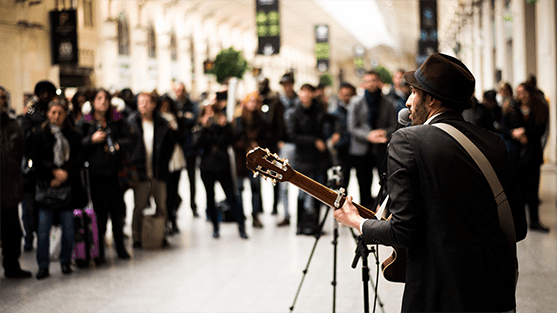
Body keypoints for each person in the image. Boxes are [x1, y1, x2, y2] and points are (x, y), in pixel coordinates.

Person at [334, 53, 528, 312]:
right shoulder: (492, 142)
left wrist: (357, 221)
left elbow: (404, 232)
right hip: (492, 287)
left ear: (432, 99)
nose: (408, 101)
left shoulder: (408, 141)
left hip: (439, 290)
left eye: (414, 93)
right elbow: (518, 226)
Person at [77, 89, 136, 262]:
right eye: (99, 98)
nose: (102, 102)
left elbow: (132, 139)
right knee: (100, 213)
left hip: (116, 173)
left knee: (118, 211)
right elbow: (77, 145)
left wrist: (118, 145)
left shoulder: (117, 118)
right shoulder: (86, 120)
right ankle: (100, 249)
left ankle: (120, 247)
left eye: (106, 99)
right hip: (96, 174)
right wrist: (91, 140)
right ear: (93, 102)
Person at [31, 99, 84, 279]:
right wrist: (53, 172)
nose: (56, 116)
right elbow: (36, 160)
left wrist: (65, 173)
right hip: (46, 188)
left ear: (65, 114)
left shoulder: (74, 135)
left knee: (68, 230)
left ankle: (65, 261)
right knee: (43, 230)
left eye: (60, 112)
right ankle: (43, 265)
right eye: (53, 112)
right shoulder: (39, 135)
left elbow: (78, 159)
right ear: (47, 113)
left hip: (68, 188)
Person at [127, 92, 176, 248]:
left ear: (154, 104)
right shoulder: (131, 122)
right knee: (139, 206)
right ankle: (136, 236)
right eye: (140, 102)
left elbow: (170, 145)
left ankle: (161, 234)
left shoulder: (162, 123)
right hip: (140, 171)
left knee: (161, 205)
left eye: (147, 102)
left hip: (158, 170)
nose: (143, 105)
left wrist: (164, 162)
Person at [193, 103, 248, 239]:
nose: (211, 116)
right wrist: (205, 128)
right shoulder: (200, 127)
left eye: (213, 113)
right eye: (207, 113)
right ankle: (215, 227)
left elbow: (231, 142)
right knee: (210, 198)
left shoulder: (224, 126)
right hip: (207, 167)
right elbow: (196, 145)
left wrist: (226, 127)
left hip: (223, 166)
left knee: (231, 197)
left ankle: (241, 226)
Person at [500, 82, 549, 232]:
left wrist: (525, 133)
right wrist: (514, 134)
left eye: (524, 92)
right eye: (519, 92)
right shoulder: (511, 108)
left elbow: (541, 129)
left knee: (532, 191)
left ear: (530, 92)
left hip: (532, 155)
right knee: (518, 191)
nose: (521, 95)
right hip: (516, 155)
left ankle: (534, 221)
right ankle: (518, 222)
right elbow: (502, 127)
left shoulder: (539, 107)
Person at [347, 70, 397, 210]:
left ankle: (382, 213)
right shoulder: (356, 102)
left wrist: (382, 133)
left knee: (385, 183)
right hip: (361, 150)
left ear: (379, 82)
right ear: (364, 83)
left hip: (382, 148)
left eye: (373, 80)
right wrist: (369, 135)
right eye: (367, 81)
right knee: (363, 184)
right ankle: (364, 214)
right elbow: (352, 127)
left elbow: (393, 125)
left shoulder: (388, 103)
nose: (370, 84)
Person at [286, 84, 330, 235]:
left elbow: (329, 122)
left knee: (318, 192)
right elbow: (292, 136)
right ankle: (300, 225)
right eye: (302, 92)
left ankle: (315, 225)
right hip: (303, 158)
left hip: (318, 158)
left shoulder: (319, 110)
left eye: (308, 92)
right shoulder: (294, 112)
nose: (305, 95)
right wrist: (313, 141)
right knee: (302, 193)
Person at [19, 80, 58, 252]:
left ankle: (49, 237)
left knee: (46, 206)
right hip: (30, 170)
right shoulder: (31, 112)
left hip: (48, 168)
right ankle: (28, 237)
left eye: (48, 92)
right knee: (28, 208)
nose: (45, 96)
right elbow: (26, 137)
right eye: (42, 92)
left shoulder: (56, 111)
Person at [0, 85, 32, 278]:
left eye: (4, 97)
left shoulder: (13, 125)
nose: (2, 101)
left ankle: (12, 266)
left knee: (13, 233)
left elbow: (21, 153)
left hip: (10, 189)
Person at [233, 92, 268, 228]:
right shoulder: (238, 120)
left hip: (256, 161)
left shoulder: (261, 120)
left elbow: (266, 138)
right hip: (241, 159)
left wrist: (257, 146)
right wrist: (247, 146)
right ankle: (240, 216)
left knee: (255, 189)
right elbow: (235, 140)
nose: (252, 104)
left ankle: (255, 215)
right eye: (250, 101)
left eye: (255, 101)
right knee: (240, 188)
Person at [156, 94, 187, 234]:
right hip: (163, 160)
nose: (165, 107)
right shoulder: (157, 120)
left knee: (174, 191)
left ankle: (173, 219)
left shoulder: (176, 118)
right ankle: (166, 220)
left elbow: (182, 138)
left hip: (176, 157)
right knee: (165, 192)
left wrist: (173, 129)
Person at [257, 78, 284, 220]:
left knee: (274, 174)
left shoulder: (275, 101)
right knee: (258, 174)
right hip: (261, 142)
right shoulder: (258, 101)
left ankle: (274, 205)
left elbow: (279, 123)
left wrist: (278, 140)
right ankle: (260, 205)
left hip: (272, 143)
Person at [275, 72, 299, 227]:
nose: (287, 88)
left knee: (301, 181)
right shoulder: (278, 102)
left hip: (299, 144)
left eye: (289, 84)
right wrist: (278, 141)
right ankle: (286, 213)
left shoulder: (299, 101)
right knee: (283, 181)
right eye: (285, 85)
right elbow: (274, 122)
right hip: (284, 144)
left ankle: (304, 214)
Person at [174, 82, 201, 217]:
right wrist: (185, 117)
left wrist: (182, 117)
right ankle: (176, 202)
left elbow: (194, 119)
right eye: (177, 91)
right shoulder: (174, 105)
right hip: (178, 146)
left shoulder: (192, 104)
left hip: (190, 146)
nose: (179, 93)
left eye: (181, 91)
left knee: (192, 178)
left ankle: (193, 204)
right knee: (175, 178)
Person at [328, 82, 356, 190]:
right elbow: (329, 129)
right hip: (342, 149)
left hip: (357, 148)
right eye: (344, 94)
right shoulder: (334, 111)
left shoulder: (358, 108)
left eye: (349, 94)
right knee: (342, 182)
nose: (347, 97)